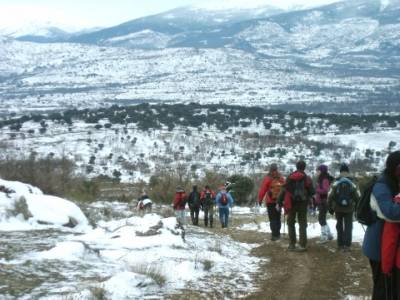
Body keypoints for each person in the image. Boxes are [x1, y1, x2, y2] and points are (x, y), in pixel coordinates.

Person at [362, 151, 400, 300]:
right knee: (382, 288)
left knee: (389, 288)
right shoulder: (382, 185)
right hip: (378, 247)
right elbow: (390, 212)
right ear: (395, 167)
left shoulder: (393, 182)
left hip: (389, 246)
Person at [280, 160, 314, 252]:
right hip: (303, 203)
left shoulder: (290, 177)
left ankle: (292, 244)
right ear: (304, 167)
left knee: (291, 223)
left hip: (291, 203)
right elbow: (312, 192)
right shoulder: (307, 178)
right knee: (302, 223)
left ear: (296, 167)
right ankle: (302, 245)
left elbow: (284, 190)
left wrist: (279, 202)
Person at [328, 163, 360, 252]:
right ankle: (347, 245)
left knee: (339, 225)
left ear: (340, 171)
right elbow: (358, 196)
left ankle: (340, 244)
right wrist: (357, 208)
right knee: (348, 226)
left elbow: (330, 196)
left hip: (337, 207)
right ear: (348, 171)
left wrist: (330, 207)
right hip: (349, 208)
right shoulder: (353, 181)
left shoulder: (336, 181)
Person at [258, 163, 285, 241]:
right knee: (277, 218)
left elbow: (263, 189)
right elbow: (284, 188)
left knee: (272, 218)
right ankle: (278, 234)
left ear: (270, 169)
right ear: (277, 169)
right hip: (279, 201)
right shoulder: (281, 178)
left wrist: (260, 199)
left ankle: (274, 235)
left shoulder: (268, 178)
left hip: (270, 202)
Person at [315, 164, 334, 243]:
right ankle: (329, 235)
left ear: (321, 171)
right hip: (322, 201)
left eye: (318, 171)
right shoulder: (322, 178)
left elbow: (325, 190)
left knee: (321, 219)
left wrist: (317, 190)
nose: (317, 172)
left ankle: (324, 237)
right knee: (322, 219)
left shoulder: (324, 179)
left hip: (323, 201)